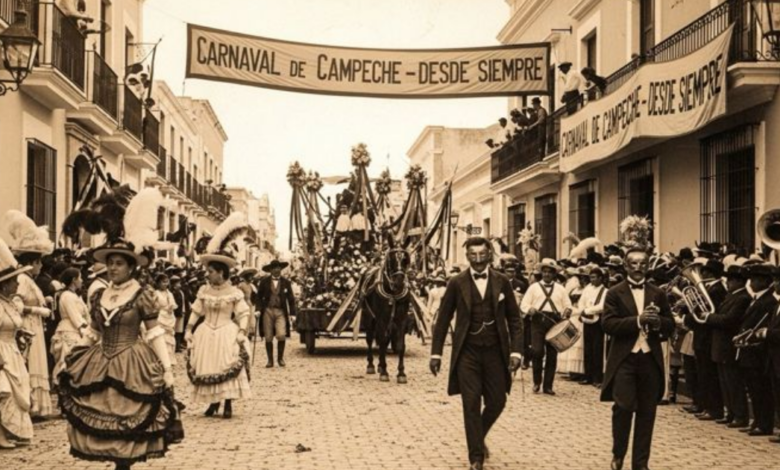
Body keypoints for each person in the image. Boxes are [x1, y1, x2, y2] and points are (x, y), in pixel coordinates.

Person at [58, 242, 181, 469]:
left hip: (132, 362)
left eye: (119, 263)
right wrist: (76, 355)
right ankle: (118, 463)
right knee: (103, 415)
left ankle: (123, 464)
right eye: (110, 263)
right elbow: (94, 332)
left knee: (129, 415)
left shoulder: (142, 294)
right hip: (100, 361)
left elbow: (154, 333)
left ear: (131, 267)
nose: (113, 268)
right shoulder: (99, 295)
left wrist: (167, 369)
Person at [430, 237, 523, 470]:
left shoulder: (502, 281)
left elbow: (514, 319)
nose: (478, 259)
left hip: (495, 351)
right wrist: (436, 354)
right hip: (467, 352)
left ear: (489, 255)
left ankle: (478, 436)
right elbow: (443, 319)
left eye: (482, 254)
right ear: (467, 256)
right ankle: (476, 457)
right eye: (473, 254)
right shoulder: (456, 282)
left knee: (498, 401)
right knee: (470, 402)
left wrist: (516, 352)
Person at [601, 248, 675, 470]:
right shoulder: (614, 292)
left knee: (647, 412)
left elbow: (670, 324)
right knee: (623, 407)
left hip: (649, 358)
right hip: (625, 358)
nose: (638, 268)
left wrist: (658, 323)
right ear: (625, 266)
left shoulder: (657, 293)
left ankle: (641, 463)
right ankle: (618, 453)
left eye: (642, 263)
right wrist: (637, 320)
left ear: (648, 266)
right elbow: (608, 324)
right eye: (633, 263)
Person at [1, 210, 56, 420]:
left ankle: (36, 406)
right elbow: (15, 304)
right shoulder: (22, 279)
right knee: (30, 364)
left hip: (34, 325)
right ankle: (31, 405)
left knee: (35, 363)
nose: (40, 266)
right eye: (38, 262)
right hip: (26, 324)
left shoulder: (28, 280)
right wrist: (37, 310)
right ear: (31, 262)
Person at [705, 262, 751, 428]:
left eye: (731, 280)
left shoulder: (743, 298)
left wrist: (709, 317)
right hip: (720, 344)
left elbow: (729, 320)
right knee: (725, 383)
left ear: (739, 281)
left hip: (728, 345)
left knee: (734, 383)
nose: (728, 283)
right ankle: (730, 413)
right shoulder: (731, 296)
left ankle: (740, 415)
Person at [735, 263, 776, 436]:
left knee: (761, 390)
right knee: (754, 389)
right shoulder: (758, 299)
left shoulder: (768, 301)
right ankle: (758, 421)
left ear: (765, 282)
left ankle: (764, 424)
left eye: (755, 279)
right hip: (749, 351)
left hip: (758, 353)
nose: (751, 283)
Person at [0, 238, 34, 449]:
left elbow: (12, 324)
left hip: (12, 350)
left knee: (17, 392)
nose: (18, 284)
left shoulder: (10, 303)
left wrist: (21, 334)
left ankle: (10, 431)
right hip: (2, 351)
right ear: (5, 284)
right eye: (14, 281)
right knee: (4, 392)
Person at [520, 258, 572, 395]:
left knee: (552, 354)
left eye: (550, 272)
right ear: (541, 273)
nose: (547, 274)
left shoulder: (561, 289)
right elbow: (524, 304)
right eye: (545, 272)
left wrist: (567, 310)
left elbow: (567, 305)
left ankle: (548, 386)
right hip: (538, 321)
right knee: (537, 351)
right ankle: (537, 382)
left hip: (555, 322)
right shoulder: (533, 287)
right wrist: (529, 309)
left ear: (554, 274)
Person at [684, 258, 726, 421]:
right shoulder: (709, 289)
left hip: (707, 337)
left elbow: (704, 314)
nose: (701, 275)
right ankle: (704, 405)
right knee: (703, 374)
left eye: (703, 272)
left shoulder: (716, 290)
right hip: (702, 337)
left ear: (709, 273)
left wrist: (688, 318)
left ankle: (713, 408)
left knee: (709, 375)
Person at [50, 268, 88, 383]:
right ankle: (60, 385)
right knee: (66, 359)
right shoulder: (67, 296)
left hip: (76, 330)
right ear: (73, 280)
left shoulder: (75, 295)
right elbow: (74, 316)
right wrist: (84, 329)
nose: (82, 280)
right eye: (80, 278)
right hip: (69, 330)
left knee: (74, 360)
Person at [257, 259, 296, 368]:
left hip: (280, 311)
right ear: (270, 270)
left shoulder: (286, 282)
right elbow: (258, 297)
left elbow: (291, 299)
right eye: (274, 268)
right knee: (268, 336)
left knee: (281, 334)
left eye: (278, 268)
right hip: (267, 311)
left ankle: (280, 359)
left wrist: (293, 314)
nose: (276, 270)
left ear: (281, 269)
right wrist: (258, 310)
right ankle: (270, 360)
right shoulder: (264, 282)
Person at [578, 266, 608, 386]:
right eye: (591, 277)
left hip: (597, 322)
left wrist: (588, 310)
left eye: (594, 277)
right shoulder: (587, 289)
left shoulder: (605, 291)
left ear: (601, 278)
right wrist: (582, 310)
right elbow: (581, 301)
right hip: (587, 321)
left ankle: (597, 378)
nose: (592, 280)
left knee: (597, 349)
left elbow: (602, 306)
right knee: (587, 349)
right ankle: (588, 376)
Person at [153, 274, 178, 366]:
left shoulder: (169, 293)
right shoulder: (156, 293)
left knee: (170, 337)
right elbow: (153, 305)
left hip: (169, 316)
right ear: (158, 283)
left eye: (167, 282)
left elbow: (173, 304)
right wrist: (159, 308)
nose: (165, 284)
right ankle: (161, 358)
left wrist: (171, 307)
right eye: (163, 282)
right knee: (161, 337)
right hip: (160, 316)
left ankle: (170, 358)